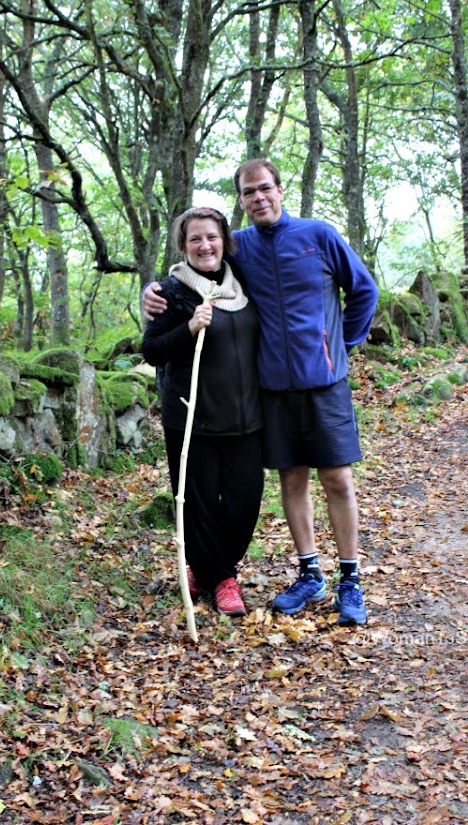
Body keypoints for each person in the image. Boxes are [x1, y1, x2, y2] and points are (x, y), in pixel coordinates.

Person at [143, 160, 379, 625]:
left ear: (280, 189)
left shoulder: (319, 235)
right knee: (291, 480)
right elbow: (194, 272)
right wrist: (149, 291)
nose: (259, 198)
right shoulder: (240, 248)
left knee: (337, 480)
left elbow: (364, 291)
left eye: (265, 188)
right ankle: (310, 573)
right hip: (270, 389)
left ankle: (350, 579)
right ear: (241, 200)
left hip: (324, 384)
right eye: (249, 192)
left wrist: (340, 344)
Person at [141, 206, 263, 617]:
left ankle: (207, 568)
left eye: (211, 236)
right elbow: (152, 350)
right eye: (195, 238)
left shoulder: (244, 284)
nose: (204, 245)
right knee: (197, 503)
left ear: (224, 241)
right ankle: (222, 579)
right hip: (190, 417)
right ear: (183, 245)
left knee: (245, 503)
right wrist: (189, 327)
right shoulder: (168, 292)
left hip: (246, 416)